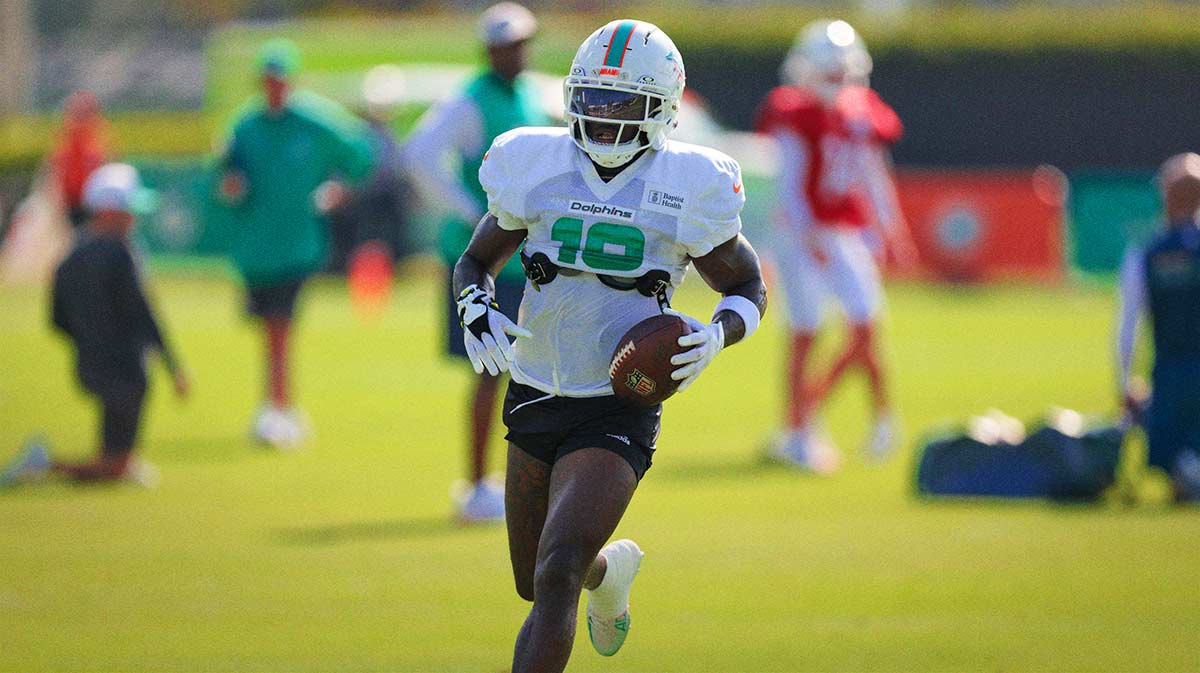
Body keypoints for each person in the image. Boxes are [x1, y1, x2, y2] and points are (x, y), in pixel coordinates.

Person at [453, 19, 766, 671]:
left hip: (619, 398)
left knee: (557, 569)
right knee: (534, 576)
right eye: (592, 98)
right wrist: (474, 306)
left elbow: (747, 284)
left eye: (622, 103)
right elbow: (476, 259)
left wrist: (717, 334)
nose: (602, 115)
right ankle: (609, 570)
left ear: (662, 111)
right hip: (537, 383)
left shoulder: (688, 182)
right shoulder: (534, 162)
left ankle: (584, 567)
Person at [401, 2, 551, 522]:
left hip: (523, 263)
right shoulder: (468, 102)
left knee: (525, 371)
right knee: (491, 371)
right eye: (508, 46)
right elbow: (418, 154)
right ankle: (476, 485)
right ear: (490, 51)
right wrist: (468, 211)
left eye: (521, 44)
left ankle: (511, 480)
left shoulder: (528, 96)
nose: (517, 54)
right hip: (485, 263)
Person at [754, 19, 916, 473]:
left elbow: (873, 173)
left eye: (843, 72)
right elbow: (788, 186)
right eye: (829, 72)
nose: (838, 81)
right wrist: (808, 240)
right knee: (805, 328)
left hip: (842, 228)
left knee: (866, 323)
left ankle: (851, 415)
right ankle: (797, 430)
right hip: (798, 231)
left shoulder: (862, 110)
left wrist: (893, 229)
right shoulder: (791, 111)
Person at [217, 39, 374, 448]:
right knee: (268, 329)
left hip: (296, 245)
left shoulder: (314, 121)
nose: (275, 87)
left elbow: (361, 153)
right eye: (268, 81)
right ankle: (277, 405)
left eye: (281, 80)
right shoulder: (244, 127)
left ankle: (278, 406)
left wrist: (338, 188)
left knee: (279, 329)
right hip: (255, 248)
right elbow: (225, 175)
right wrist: (231, 186)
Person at [0, 163, 187, 489]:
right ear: (109, 211)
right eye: (129, 211)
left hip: (90, 365)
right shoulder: (121, 251)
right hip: (126, 368)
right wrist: (173, 365)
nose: (134, 219)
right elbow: (143, 312)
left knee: (117, 458)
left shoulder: (70, 256)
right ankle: (44, 464)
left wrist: (88, 345)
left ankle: (116, 463)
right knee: (113, 466)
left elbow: (57, 320)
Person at [1116, 152, 1200, 502]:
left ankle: (1185, 472)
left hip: (1167, 377)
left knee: (1174, 455)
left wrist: (1124, 384)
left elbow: (1126, 331)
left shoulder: (1146, 253)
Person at [51, 90, 109, 231]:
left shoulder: (97, 134)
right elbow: (59, 166)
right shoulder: (68, 135)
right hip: (73, 199)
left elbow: (103, 165)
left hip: (93, 199)